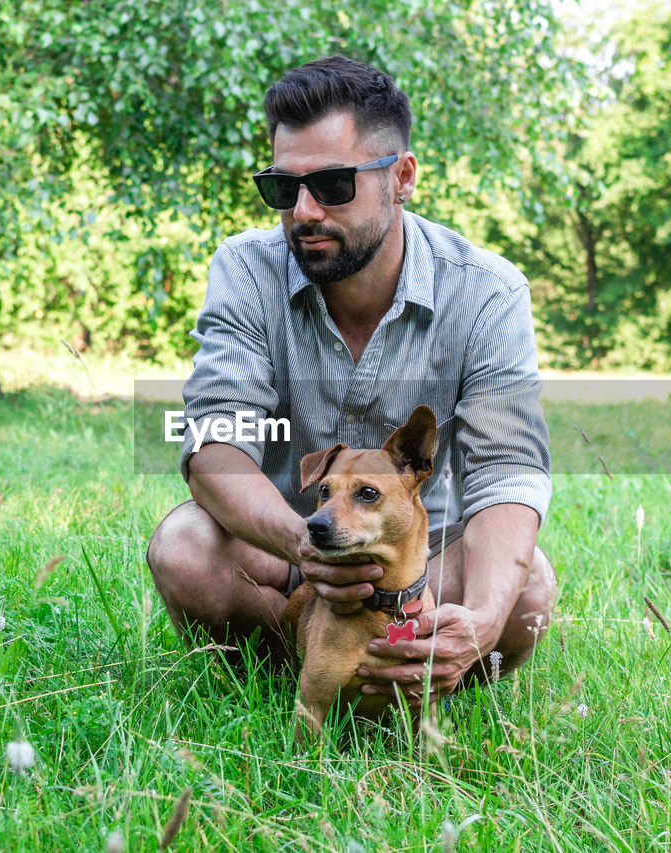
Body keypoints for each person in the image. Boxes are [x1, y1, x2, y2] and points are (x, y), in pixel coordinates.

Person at [147, 55, 555, 707]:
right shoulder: (247, 271)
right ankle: (294, 688)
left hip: (418, 572)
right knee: (184, 544)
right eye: (284, 188)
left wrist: (479, 619)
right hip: (287, 561)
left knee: (526, 583)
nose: (304, 211)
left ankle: (425, 675)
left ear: (402, 177)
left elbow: (507, 473)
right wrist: (304, 547)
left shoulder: (486, 291)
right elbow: (215, 447)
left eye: (334, 185)